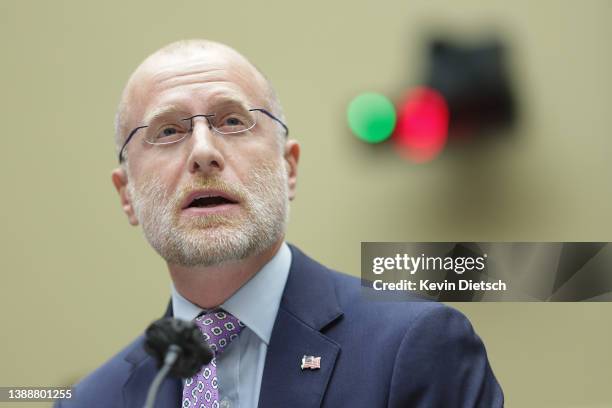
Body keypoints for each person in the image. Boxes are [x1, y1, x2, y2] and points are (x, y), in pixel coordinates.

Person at [56, 39, 503, 407]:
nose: (202, 151)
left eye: (232, 121)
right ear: (126, 195)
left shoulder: (415, 345)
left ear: (289, 168)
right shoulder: (93, 401)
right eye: (168, 131)